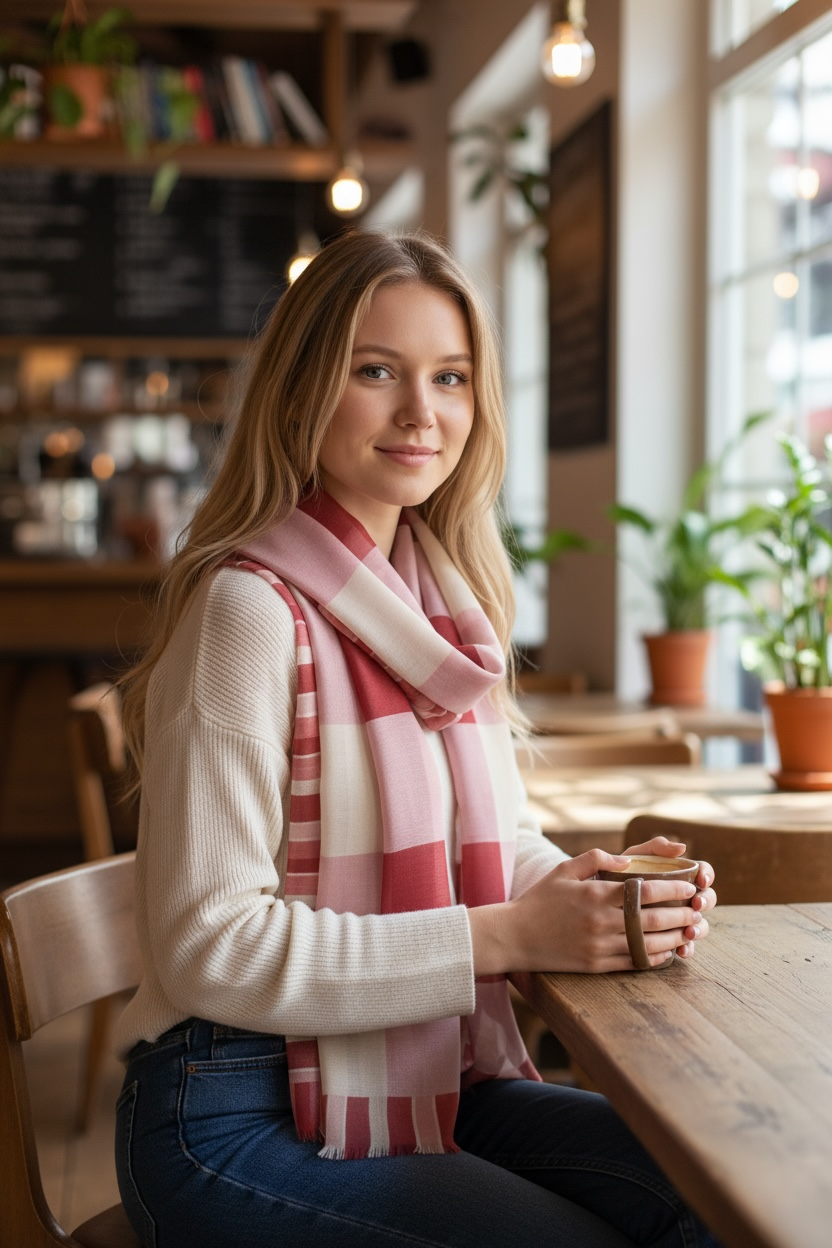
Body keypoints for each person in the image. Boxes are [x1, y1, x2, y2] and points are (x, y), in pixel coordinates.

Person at [114, 229, 719, 1248]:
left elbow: (491, 846)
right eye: (376, 371)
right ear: (305, 390)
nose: (419, 413)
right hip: (227, 1106)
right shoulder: (247, 609)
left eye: (450, 377)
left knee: (713, 1191)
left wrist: (594, 891)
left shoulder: (438, 603)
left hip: (414, 1060)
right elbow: (209, 943)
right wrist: (510, 938)